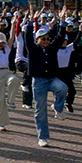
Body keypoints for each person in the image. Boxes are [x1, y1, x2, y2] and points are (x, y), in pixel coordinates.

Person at [25, 15, 68, 147]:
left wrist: (62, 22)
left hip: (52, 79)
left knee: (63, 87)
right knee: (40, 110)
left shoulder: (52, 47)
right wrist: (32, 21)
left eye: (48, 39)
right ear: (37, 39)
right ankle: (42, 137)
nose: (46, 41)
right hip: (38, 81)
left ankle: (58, 108)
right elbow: (27, 38)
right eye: (43, 39)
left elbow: (60, 37)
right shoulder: (33, 49)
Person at [0, 31, 20, 131]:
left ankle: (11, 100)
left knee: (14, 80)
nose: (1, 44)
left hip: (6, 71)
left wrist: (13, 24)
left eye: (2, 42)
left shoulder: (6, 49)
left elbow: (11, 37)